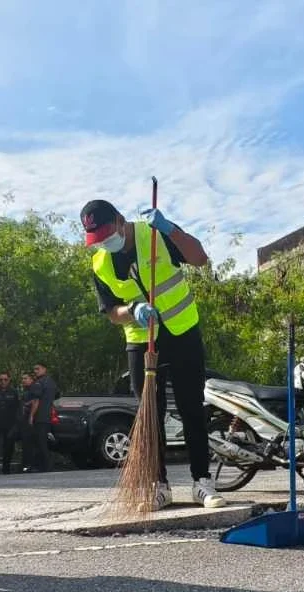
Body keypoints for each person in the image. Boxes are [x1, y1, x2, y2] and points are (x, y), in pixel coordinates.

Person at [80, 199, 225, 510]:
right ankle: (158, 485)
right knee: (150, 414)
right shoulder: (101, 264)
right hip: (143, 340)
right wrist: (133, 309)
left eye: (108, 235)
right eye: (98, 240)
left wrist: (171, 229)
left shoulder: (156, 233)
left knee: (191, 409)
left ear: (120, 221)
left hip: (182, 331)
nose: (106, 243)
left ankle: (202, 482)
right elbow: (111, 312)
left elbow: (199, 258)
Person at [28, 362, 58, 472]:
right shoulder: (52, 382)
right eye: (34, 369)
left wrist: (31, 416)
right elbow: (56, 396)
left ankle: (46, 466)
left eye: (37, 369)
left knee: (41, 443)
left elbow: (36, 401)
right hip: (49, 415)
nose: (35, 371)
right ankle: (43, 465)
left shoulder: (39, 383)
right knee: (43, 441)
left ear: (44, 369)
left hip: (40, 416)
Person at [18, 372, 38, 472]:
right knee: (25, 442)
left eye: (26, 378)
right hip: (23, 419)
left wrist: (31, 417)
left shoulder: (34, 389)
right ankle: (26, 464)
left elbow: (36, 401)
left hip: (30, 419)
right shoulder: (25, 390)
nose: (23, 380)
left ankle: (31, 465)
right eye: (22, 378)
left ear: (31, 379)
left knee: (29, 443)